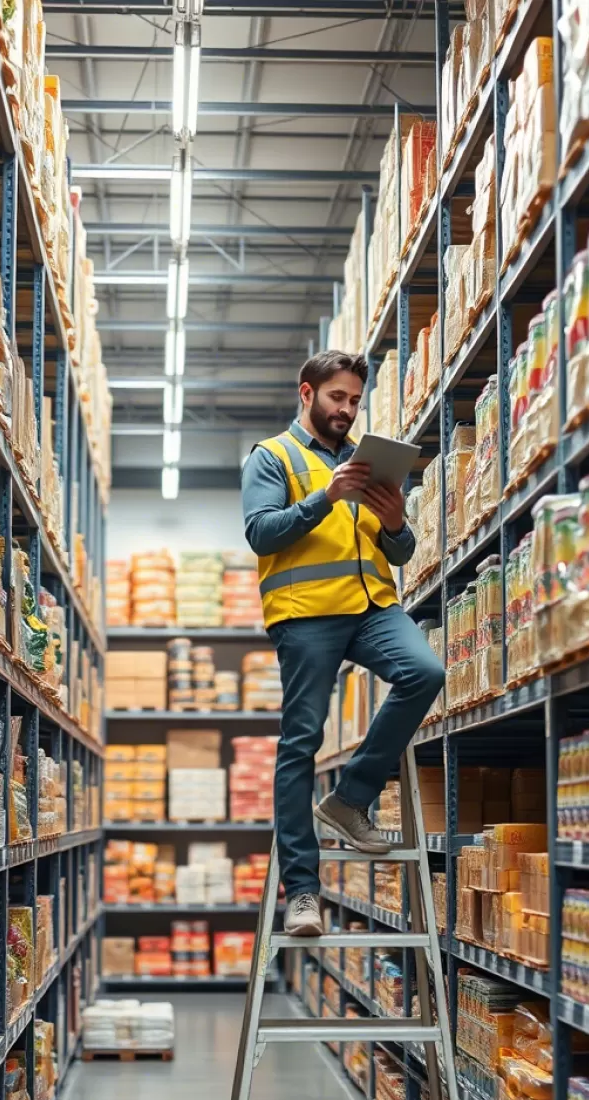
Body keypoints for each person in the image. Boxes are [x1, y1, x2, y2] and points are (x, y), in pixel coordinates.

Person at [241, 350, 446, 937]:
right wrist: (324, 497)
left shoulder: (367, 462)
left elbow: (401, 555)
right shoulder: (272, 456)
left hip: (372, 606)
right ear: (306, 393)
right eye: (337, 398)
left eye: (355, 400)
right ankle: (303, 892)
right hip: (306, 614)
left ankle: (350, 798)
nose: (347, 409)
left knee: (424, 671)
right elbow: (260, 533)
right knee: (301, 741)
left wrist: (397, 520)